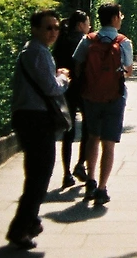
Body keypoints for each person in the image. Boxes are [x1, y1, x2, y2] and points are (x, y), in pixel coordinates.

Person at [6, 9, 69, 249]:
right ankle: (22, 227)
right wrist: (63, 78)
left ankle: (29, 222)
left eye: (56, 28)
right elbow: (52, 88)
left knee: (37, 173)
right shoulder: (37, 52)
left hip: (29, 116)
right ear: (35, 29)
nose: (53, 32)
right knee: (39, 175)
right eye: (48, 28)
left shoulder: (35, 50)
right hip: (36, 118)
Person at [72, 2, 133, 205]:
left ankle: (90, 180)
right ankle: (102, 187)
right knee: (109, 144)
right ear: (115, 18)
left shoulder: (88, 40)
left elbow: (77, 64)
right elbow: (128, 70)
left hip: (91, 96)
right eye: (120, 15)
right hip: (115, 97)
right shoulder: (123, 42)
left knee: (92, 137)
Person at [54, 10, 91, 190]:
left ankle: (66, 173)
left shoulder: (61, 39)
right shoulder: (84, 41)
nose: (89, 26)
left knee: (68, 132)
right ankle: (81, 164)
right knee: (87, 128)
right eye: (88, 23)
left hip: (66, 88)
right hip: (83, 88)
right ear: (80, 24)